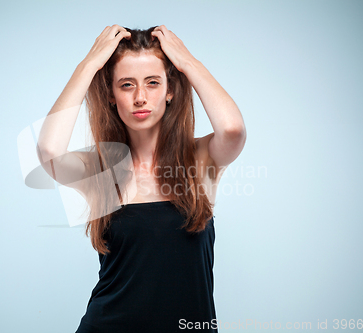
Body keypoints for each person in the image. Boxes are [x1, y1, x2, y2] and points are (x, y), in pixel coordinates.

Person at [37, 25, 246, 333]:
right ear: (110, 94)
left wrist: (187, 62)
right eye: (126, 85)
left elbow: (232, 130)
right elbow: (49, 150)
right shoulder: (100, 168)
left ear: (170, 89)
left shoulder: (200, 159)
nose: (140, 97)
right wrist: (89, 64)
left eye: (152, 82)